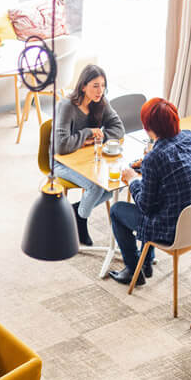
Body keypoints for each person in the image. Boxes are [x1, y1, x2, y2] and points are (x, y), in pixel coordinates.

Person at [109, 97, 191, 287]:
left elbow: (145, 206)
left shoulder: (154, 159)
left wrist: (132, 178)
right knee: (161, 201)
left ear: (148, 128)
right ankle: (144, 264)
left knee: (117, 210)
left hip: (173, 232)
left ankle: (133, 270)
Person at [52, 64, 125, 246]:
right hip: (60, 162)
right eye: (95, 85)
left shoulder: (100, 102)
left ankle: (75, 211)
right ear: (83, 86)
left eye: (102, 85)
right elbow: (61, 146)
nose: (100, 90)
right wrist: (89, 133)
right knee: (95, 187)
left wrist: (97, 138)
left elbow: (119, 129)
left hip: (86, 158)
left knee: (118, 183)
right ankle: (81, 221)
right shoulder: (67, 106)